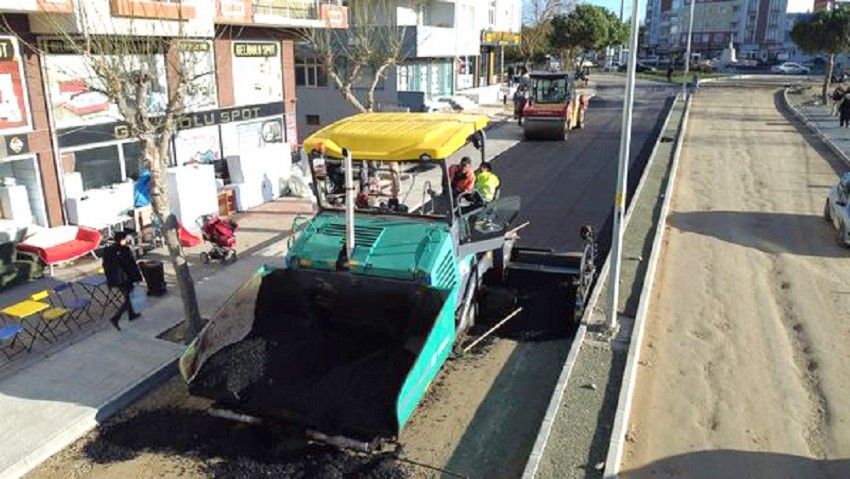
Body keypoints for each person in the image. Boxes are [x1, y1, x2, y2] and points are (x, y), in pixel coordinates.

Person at [102, 231, 143, 330]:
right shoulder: (124, 250)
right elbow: (131, 265)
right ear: (122, 240)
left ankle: (132, 314)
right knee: (130, 298)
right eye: (125, 238)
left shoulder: (108, 251)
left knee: (128, 296)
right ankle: (116, 318)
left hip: (115, 279)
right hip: (126, 278)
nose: (127, 240)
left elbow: (105, 265)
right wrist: (137, 277)